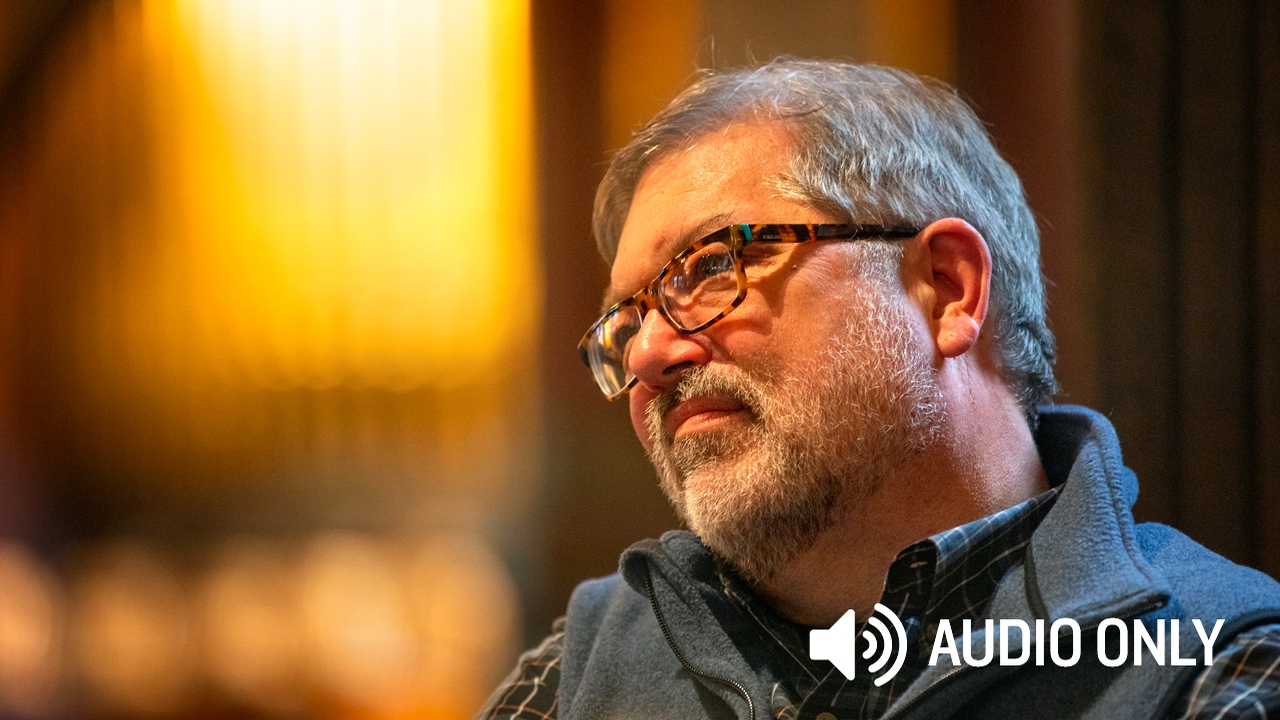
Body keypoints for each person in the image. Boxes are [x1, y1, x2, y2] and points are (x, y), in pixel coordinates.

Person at [478, 61, 1280, 720]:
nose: (649, 353)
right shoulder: (585, 665)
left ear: (945, 289)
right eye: (625, 321)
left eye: (714, 266)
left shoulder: (1220, 668)